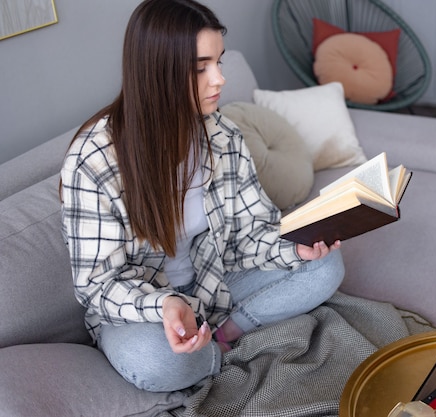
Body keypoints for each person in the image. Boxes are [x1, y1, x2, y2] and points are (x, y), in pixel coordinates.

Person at [60, 0, 343, 393]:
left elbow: (249, 233)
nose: (220, 80)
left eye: (219, 62)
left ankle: (223, 338)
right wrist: (163, 306)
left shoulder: (223, 136)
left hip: (215, 283)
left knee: (326, 268)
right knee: (155, 362)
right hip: (141, 310)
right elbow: (97, 284)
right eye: (201, 68)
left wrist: (295, 250)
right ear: (157, 71)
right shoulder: (94, 160)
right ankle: (217, 348)